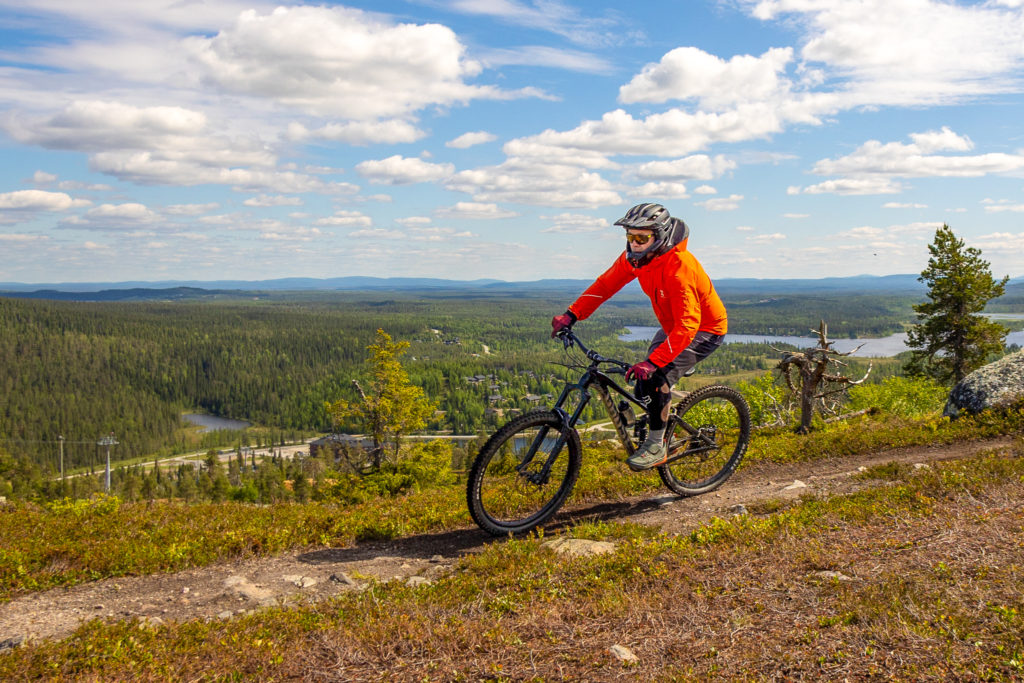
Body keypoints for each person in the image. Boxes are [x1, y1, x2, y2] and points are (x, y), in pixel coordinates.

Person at [550, 203, 728, 471]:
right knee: (641, 383)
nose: (634, 243)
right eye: (630, 237)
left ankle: (657, 445)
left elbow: (688, 326)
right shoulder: (637, 260)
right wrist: (571, 314)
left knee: (656, 377)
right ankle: (662, 419)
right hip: (672, 329)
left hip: (704, 329)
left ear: (660, 237)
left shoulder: (679, 268)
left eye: (641, 238)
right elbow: (605, 285)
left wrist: (654, 363)